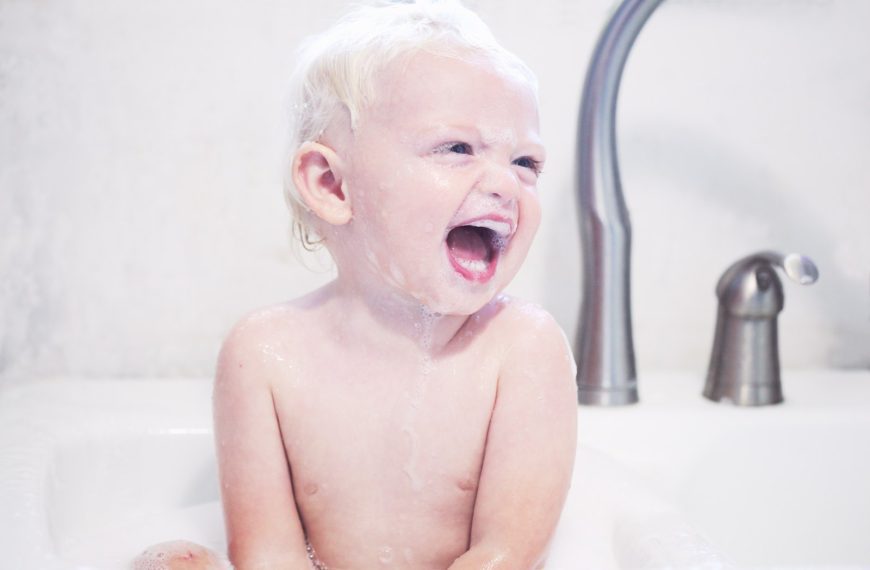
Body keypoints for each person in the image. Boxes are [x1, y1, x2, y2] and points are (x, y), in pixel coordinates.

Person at [133, 1, 577, 568]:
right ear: (332, 185)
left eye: (525, 162)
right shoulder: (264, 356)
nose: (504, 184)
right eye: (457, 148)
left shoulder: (521, 350)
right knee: (169, 560)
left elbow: (506, 554)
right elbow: (268, 553)